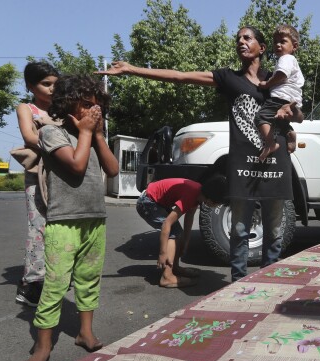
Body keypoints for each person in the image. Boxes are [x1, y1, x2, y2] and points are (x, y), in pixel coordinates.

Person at [97, 26, 304, 282]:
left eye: (247, 38)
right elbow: (180, 77)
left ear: (262, 48)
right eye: (238, 38)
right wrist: (132, 69)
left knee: (274, 229)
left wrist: (291, 114)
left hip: (275, 162)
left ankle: (269, 280)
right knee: (239, 229)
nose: (240, 41)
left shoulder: (278, 79)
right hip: (243, 167)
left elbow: (300, 115)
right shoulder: (229, 78)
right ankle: (238, 282)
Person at [23, 75, 119, 361]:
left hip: (94, 217)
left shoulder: (93, 133)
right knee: (55, 284)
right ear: (68, 103)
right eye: (87, 104)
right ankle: (43, 345)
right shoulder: (52, 133)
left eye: (98, 106)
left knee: (89, 277)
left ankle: (84, 332)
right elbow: (76, 166)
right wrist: (88, 132)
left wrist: (99, 135)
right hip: (63, 221)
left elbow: (112, 169)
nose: (94, 111)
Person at [14, 61, 60, 307]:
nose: (52, 89)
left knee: (58, 225)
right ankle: (31, 284)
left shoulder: (60, 108)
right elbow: (29, 137)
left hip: (60, 174)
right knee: (38, 225)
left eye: (55, 84)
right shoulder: (26, 107)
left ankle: (53, 274)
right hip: (37, 174)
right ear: (31, 86)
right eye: (46, 84)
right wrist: (56, 134)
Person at [136, 176, 228, 288]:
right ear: (210, 200)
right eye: (216, 204)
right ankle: (167, 276)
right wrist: (162, 253)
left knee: (178, 232)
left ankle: (174, 268)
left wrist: (186, 242)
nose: (215, 207)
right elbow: (166, 224)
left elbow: (189, 217)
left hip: (155, 201)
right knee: (173, 232)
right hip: (147, 202)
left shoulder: (198, 194)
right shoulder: (191, 195)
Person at [256, 24, 304, 161]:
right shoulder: (292, 62)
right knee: (279, 121)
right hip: (293, 100)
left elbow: (282, 75)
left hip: (281, 97)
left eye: (282, 41)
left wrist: (267, 84)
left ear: (294, 46)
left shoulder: (286, 59)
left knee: (261, 117)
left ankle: (270, 143)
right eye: (275, 42)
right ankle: (289, 133)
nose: (278, 45)